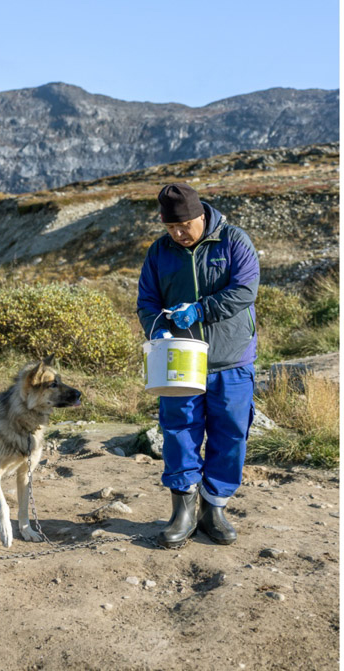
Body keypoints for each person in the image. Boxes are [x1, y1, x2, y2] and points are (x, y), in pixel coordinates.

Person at [137, 183, 260, 548]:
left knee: (232, 431)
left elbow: (244, 290)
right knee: (179, 430)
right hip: (181, 358)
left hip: (231, 357)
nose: (178, 234)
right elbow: (146, 300)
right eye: (170, 227)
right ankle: (183, 509)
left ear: (201, 216)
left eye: (184, 226)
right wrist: (160, 331)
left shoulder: (234, 241)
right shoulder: (160, 252)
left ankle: (214, 506)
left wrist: (200, 309)